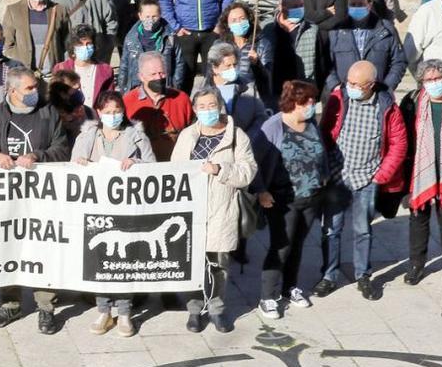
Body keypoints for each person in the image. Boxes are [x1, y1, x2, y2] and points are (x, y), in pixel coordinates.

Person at [0, 67, 70, 335]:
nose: (36, 92)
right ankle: (10, 303)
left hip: (41, 197)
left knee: (42, 248)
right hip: (7, 199)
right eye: (29, 89)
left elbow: (62, 148)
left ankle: (46, 306)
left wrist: (37, 156)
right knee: (8, 248)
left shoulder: (47, 113)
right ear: (12, 91)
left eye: (36, 87)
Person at [317, 60, 408, 301]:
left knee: (362, 230)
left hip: (368, 178)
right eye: (350, 82)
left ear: (371, 84)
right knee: (331, 229)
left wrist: (381, 175)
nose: (352, 87)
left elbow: (399, 144)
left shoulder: (387, 107)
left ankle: (363, 276)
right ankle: (328, 276)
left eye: (357, 84)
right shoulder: (340, 98)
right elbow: (324, 131)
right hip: (338, 175)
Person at [171, 86, 257, 333]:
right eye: (202, 106)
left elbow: (248, 171)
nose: (207, 110)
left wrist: (220, 170)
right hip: (193, 211)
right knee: (194, 264)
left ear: (220, 106)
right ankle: (194, 309)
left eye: (212, 105)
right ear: (195, 109)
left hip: (222, 209)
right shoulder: (188, 135)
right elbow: (175, 171)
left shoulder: (237, 136)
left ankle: (217, 309)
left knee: (219, 265)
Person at [72, 90, 155, 337]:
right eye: (107, 112)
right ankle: (104, 310)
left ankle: (125, 311)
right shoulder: (88, 135)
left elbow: (153, 167)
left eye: (117, 111)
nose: (113, 116)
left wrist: (136, 165)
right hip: (97, 210)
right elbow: (73, 163)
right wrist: (81, 163)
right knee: (101, 259)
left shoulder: (137, 136)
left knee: (125, 261)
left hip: (127, 209)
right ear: (98, 112)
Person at [250, 80, 329, 320]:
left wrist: (323, 178)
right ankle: (267, 296)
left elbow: (320, 150)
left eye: (313, 101)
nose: (312, 105)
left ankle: (289, 287)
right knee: (281, 246)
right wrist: (261, 191)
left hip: (311, 196)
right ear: (293, 102)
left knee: (297, 244)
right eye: (307, 102)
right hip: (282, 199)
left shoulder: (311, 122)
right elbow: (253, 162)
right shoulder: (273, 127)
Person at [398, 59, 442, 287]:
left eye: (438, 78)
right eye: (429, 80)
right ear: (421, 83)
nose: (434, 83)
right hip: (419, 171)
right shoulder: (413, 102)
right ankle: (416, 265)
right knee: (418, 218)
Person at [325, 0, 406, 96]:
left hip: (378, 95)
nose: (357, 7)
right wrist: (335, 86)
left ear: (370, 4)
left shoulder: (386, 30)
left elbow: (399, 61)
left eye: (361, 4)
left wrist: (387, 87)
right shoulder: (336, 31)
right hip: (344, 94)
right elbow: (326, 63)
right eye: (353, 4)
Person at [124, 52, 195, 161]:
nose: (158, 77)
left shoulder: (181, 99)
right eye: (153, 74)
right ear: (141, 77)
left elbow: (194, 132)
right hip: (143, 167)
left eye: (162, 73)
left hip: (177, 164)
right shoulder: (128, 101)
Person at [262, 0, 325, 104]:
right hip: (273, 94)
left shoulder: (312, 30)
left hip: (301, 96)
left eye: (301, 5)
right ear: (281, 7)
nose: (299, 9)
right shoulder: (266, 28)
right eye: (294, 6)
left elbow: (321, 66)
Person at [3, 0, 69, 77]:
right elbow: (7, 44)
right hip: (24, 77)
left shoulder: (59, 10)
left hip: (52, 76)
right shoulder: (13, 10)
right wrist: (20, 64)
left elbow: (67, 42)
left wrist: (62, 67)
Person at [118, 0, 185, 93]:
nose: (150, 20)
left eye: (154, 16)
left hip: (163, 87)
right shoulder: (130, 38)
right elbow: (124, 66)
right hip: (137, 88)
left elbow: (179, 63)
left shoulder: (170, 36)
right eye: (147, 16)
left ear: (160, 15)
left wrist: (174, 86)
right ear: (140, 16)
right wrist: (124, 90)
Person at [205, 41, 268, 136]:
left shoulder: (248, 87)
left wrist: (248, 140)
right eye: (228, 66)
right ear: (215, 68)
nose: (233, 69)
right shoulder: (203, 91)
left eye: (234, 65)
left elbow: (261, 117)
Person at [213, 1, 272, 98]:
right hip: (225, 96)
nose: (239, 23)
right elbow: (210, 76)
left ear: (249, 20)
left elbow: (269, 79)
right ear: (227, 24)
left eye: (242, 19)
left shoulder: (262, 44)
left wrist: (257, 64)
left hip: (253, 98)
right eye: (234, 20)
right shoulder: (219, 45)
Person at [52, 24, 114, 109]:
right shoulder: (61, 68)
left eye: (88, 44)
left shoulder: (106, 70)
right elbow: (55, 99)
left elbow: (109, 99)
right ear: (72, 47)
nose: (85, 47)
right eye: (80, 44)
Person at [49, 70, 90, 147]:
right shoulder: (50, 112)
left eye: (78, 86)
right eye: (73, 85)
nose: (77, 88)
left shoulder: (85, 110)